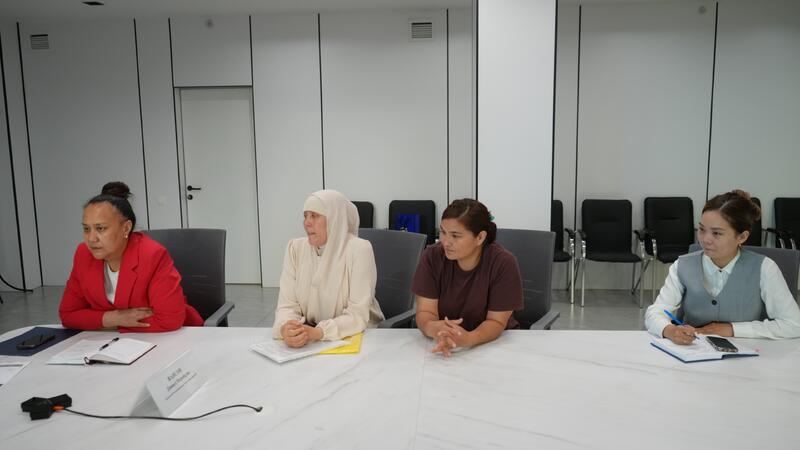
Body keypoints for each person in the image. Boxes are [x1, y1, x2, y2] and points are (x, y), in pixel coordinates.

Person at [645, 190, 800, 344]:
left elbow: (794, 325)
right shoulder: (682, 265)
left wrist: (732, 329)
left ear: (742, 237)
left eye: (717, 233)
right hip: (693, 349)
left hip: (749, 351)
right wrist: (669, 330)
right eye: (702, 229)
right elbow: (655, 312)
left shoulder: (765, 268)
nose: (705, 239)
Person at [59, 182, 203, 332]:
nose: (91, 238)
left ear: (126, 228)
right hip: (119, 340)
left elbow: (169, 319)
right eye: (86, 229)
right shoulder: (83, 254)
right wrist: (115, 318)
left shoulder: (152, 255)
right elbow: (68, 315)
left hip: (180, 336)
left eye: (100, 228)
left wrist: (100, 321)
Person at [273, 190, 384, 347]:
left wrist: (319, 332)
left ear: (334, 219)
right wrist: (287, 328)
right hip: (311, 338)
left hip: (359, 337)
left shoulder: (359, 250)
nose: (306, 223)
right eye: (305, 216)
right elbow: (287, 306)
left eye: (314, 216)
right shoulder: (295, 249)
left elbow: (357, 315)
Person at [412, 198, 523, 357]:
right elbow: (425, 311)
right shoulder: (432, 256)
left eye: (455, 236)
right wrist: (435, 328)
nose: (446, 242)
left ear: (480, 237)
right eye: (443, 232)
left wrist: (468, 339)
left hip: (493, 345)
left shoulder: (503, 263)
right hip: (442, 343)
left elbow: (496, 321)